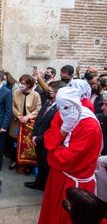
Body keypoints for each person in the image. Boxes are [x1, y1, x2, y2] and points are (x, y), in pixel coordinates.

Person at [38, 87, 102, 224]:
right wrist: (64, 129)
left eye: (66, 107)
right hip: (57, 175)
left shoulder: (90, 125)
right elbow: (48, 140)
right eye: (59, 107)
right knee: (51, 213)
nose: (62, 112)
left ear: (76, 104)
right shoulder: (62, 113)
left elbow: (69, 159)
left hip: (74, 182)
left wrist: (55, 148)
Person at [24, 80, 65, 191]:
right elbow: (39, 119)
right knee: (40, 164)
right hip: (37, 138)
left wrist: (39, 139)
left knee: (47, 166)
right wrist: (33, 135)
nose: (48, 92)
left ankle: (48, 188)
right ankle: (39, 183)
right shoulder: (48, 102)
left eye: (51, 91)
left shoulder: (60, 109)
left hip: (46, 141)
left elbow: (53, 129)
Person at [9, 74, 41, 174]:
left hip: (29, 124)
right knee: (15, 142)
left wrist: (28, 117)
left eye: (23, 83)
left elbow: (38, 108)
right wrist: (18, 115)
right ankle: (14, 160)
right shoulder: (16, 92)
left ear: (29, 84)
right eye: (20, 82)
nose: (21, 85)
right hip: (16, 122)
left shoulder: (35, 95)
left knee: (27, 144)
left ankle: (27, 164)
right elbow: (12, 105)